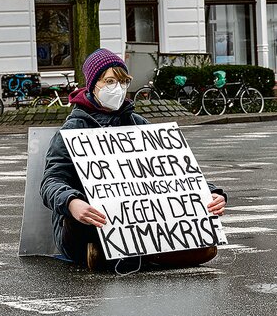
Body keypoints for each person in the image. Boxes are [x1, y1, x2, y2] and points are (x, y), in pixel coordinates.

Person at [40, 48, 227, 271]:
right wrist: (72, 203)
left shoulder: (138, 123)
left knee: (202, 243)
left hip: (138, 222)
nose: (117, 89)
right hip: (90, 222)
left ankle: (122, 255)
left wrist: (211, 194)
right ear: (92, 85)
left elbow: (176, 171)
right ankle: (132, 253)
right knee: (86, 225)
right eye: (109, 81)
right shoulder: (71, 131)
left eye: (123, 82)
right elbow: (51, 182)